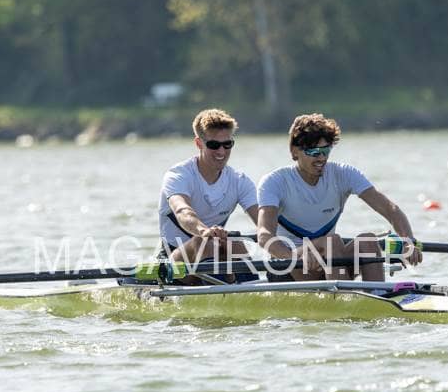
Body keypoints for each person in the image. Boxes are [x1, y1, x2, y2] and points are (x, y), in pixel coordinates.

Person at [256, 113, 421, 282]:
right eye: (313, 152)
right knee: (332, 242)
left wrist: (408, 242)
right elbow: (264, 235)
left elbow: (390, 209)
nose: (321, 158)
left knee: (368, 241)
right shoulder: (274, 182)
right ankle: (344, 292)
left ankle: (376, 293)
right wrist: (292, 256)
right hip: (287, 265)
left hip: (329, 261)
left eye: (325, 151)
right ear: (295, 151)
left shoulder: (343, 174)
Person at [158, 108, 258, 275]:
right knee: (204, 242)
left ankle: (246, 284)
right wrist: (203, 231)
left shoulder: (239, 181)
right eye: (214, 145)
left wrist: (272, 235)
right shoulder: (178, 176)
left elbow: (264, 221)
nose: (221, 151)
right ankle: (226, 282)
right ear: (199, 143)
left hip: (213, 254)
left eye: (227, 144)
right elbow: (183, 211)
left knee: (235, 244)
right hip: (173, 258)